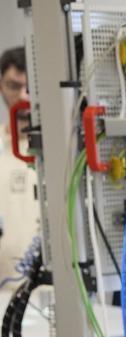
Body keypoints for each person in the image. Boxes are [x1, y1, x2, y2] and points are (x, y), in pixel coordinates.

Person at [0, 45, 38, 283]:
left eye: (30, 87)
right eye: (14, 86)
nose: (23, 96)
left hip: (53, 290)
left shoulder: (61, 153)